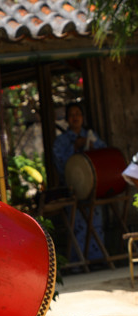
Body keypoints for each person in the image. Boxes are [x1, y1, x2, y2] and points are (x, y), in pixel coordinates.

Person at [53, 101, 107, 262]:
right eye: (72, 115)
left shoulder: (91, 135)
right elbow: (59, 163)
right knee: (77, 226)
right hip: (74, 189)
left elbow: (104, 154)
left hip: (93, 188)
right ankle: (79, 262)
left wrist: (91, 145)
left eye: (78, 114)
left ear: (82, 117)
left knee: (95, 224)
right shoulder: (61, 141)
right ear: (67, 119)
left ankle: (98, 261)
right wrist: (74, 148)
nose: (75, 117)